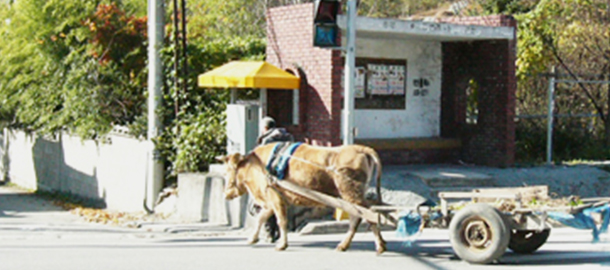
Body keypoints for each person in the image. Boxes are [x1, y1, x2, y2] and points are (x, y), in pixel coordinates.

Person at [254, 116, 294, 243]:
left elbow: (262, 159)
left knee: (265, 204)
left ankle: (270, 233)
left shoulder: (267, 140)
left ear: (265, 128)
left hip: (271, 175)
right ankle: (278, 231)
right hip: (288, 173)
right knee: (281, 205)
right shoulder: (288, 136)